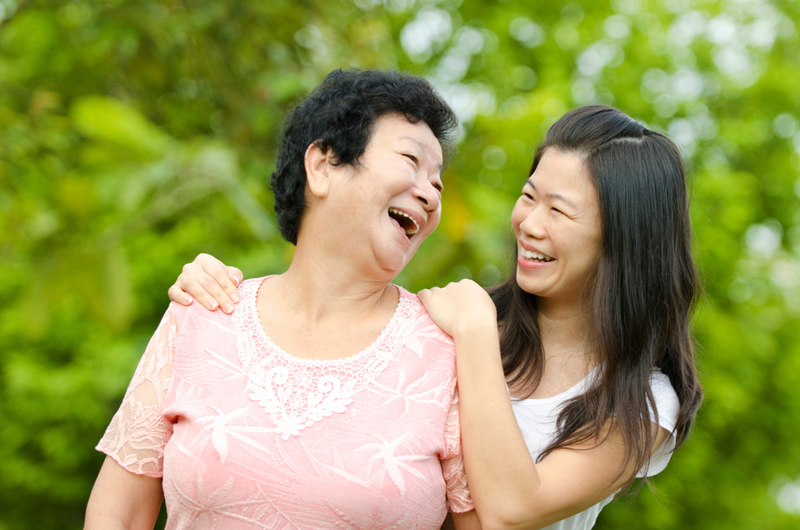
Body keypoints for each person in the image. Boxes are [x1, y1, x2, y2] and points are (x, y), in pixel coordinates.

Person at [171, 105, 703, 529]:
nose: (529, 225)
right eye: (528, 197)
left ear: (625, 241)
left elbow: (513, 510)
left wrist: (474, 333)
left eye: (559, 211)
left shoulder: (642, 399)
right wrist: (222, 294)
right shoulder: (445, 324)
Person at [84, 69, 480, 530]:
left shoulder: (446, 351)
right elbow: (119, 515)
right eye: (411, 160)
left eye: (438, 182)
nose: (431, 194)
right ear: (322, 165)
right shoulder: (203, 312)